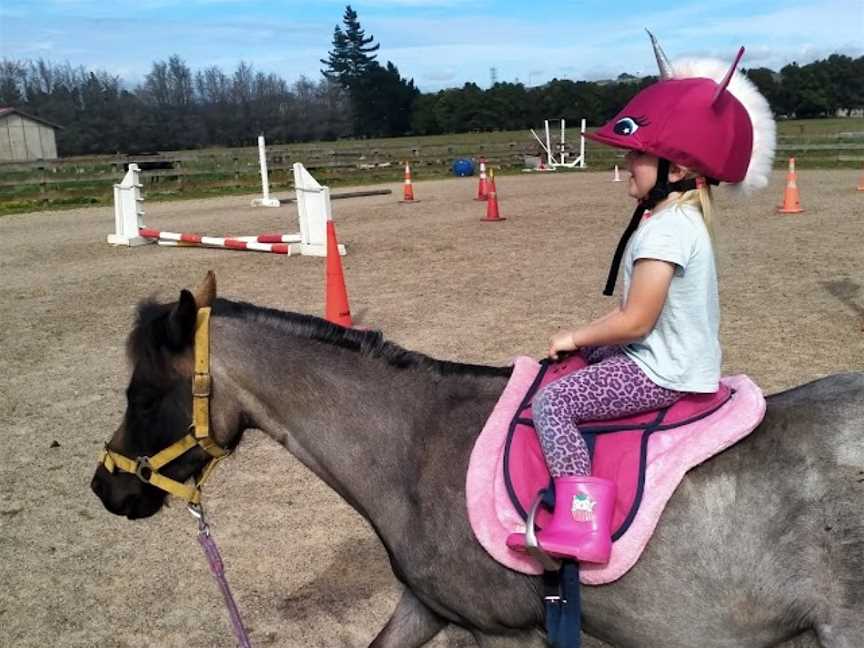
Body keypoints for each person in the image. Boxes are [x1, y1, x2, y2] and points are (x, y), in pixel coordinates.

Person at [508, 33, 776, 563]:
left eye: (638, 155)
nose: (629, 164)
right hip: (672, 357)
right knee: (589, 359)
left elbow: (635, 322)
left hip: (662, 370)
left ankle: (582, 524)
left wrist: (573, 335)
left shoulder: (665, 231)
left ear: (675, 171)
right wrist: (590, 344)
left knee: (553, 402)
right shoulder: (678, 219)